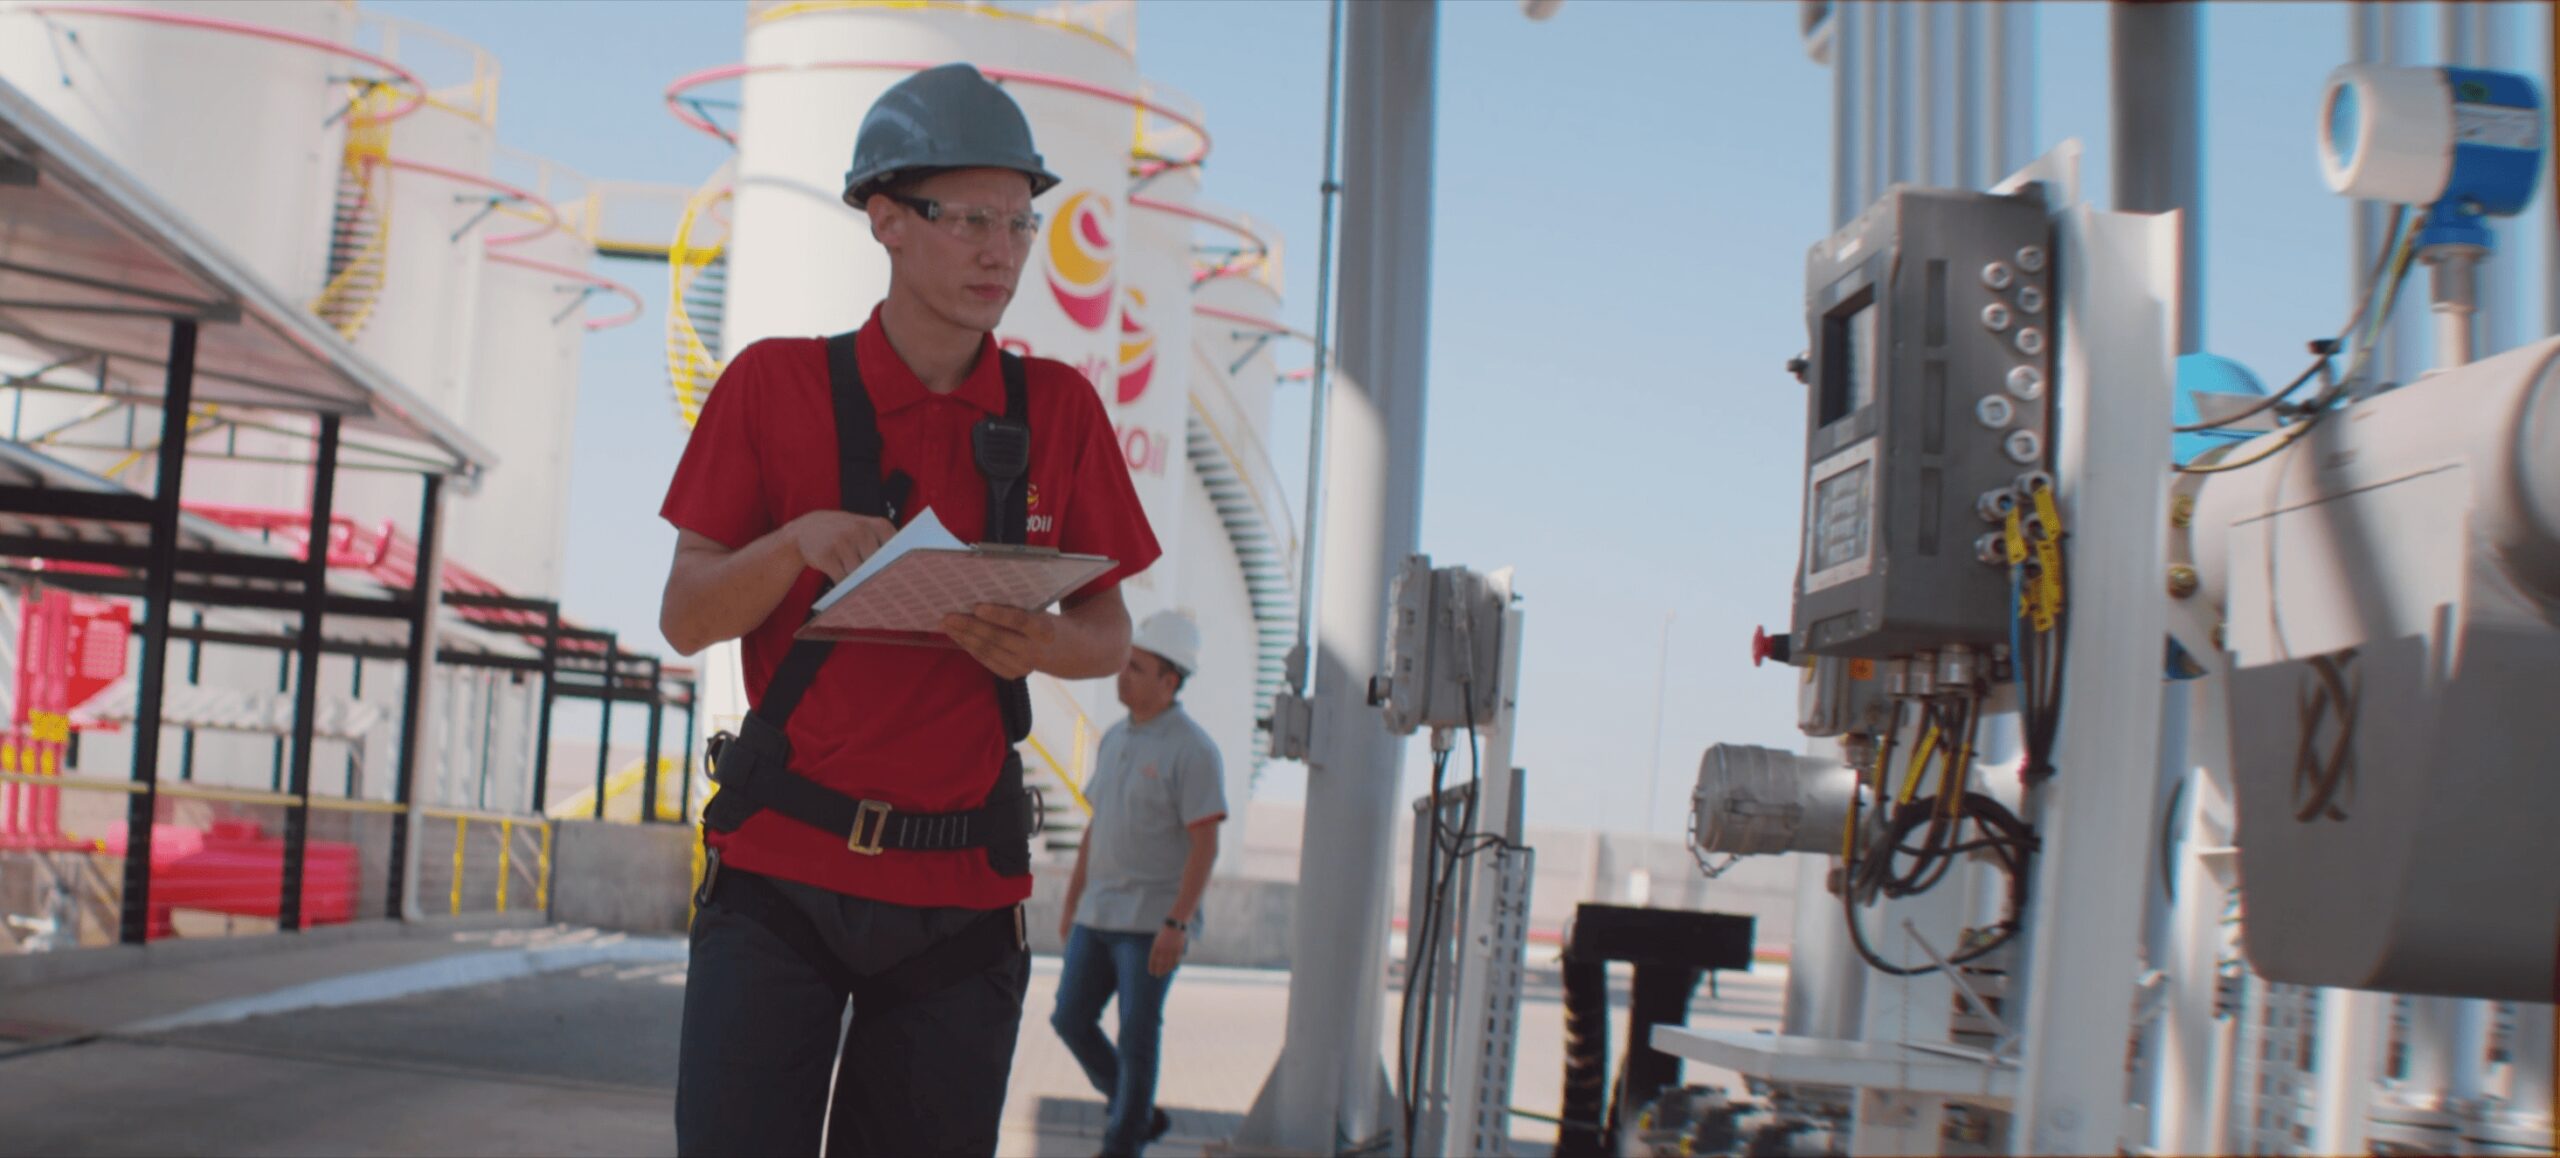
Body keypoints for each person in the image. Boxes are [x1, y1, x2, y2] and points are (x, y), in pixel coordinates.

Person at [657, 63, 1161, 1157]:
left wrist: (1046, 640)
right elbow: (688, 616)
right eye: (970, 219)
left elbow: (1110, 638)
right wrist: (791, 546)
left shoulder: (1061, 411)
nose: (1001, 252)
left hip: (962, 898)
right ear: (884, 219)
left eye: (1022, 225)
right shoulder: (770, 385)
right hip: (779, 878)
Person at [1051, 610, 1228, 1158]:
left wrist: (1177, 923)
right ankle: (1138, 1114)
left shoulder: (1194, 750)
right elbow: (1095, 828)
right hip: (1097, 914)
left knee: (1136, 1038)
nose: (1121, 675)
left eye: (1136, 667)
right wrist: (1072, 899)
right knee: (1069, 1018)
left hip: (1150, 925)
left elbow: (1206, 844)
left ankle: (1123, 1141)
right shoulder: (1113, 740)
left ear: (1169, 681)